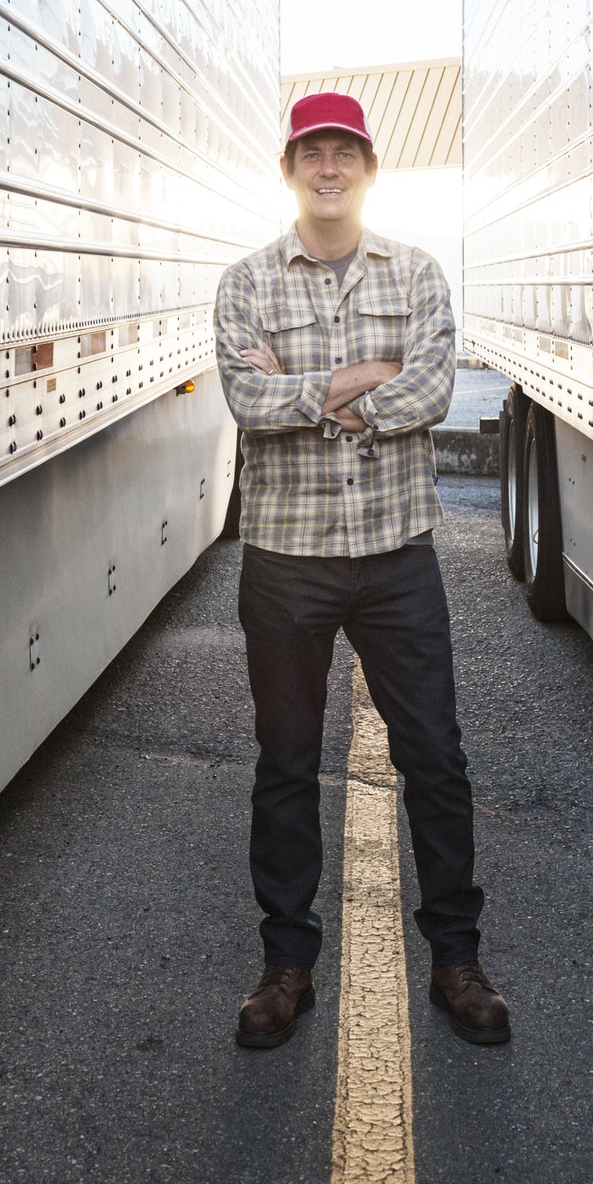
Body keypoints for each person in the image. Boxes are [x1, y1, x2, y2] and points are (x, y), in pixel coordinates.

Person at [213, 89, 510, 1050]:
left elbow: (429, 385)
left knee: (434, 756)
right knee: (286, 766)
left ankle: (456, 960)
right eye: (312, 152)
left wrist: (309, 393)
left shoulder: (418, 274)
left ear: (368, 169)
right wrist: (357, 382)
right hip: (287, 560)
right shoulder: (246, 282)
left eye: (346, 153)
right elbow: (244, 403)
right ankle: (286, 966)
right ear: (290, 167)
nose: (329, 168)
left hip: (395, 557)